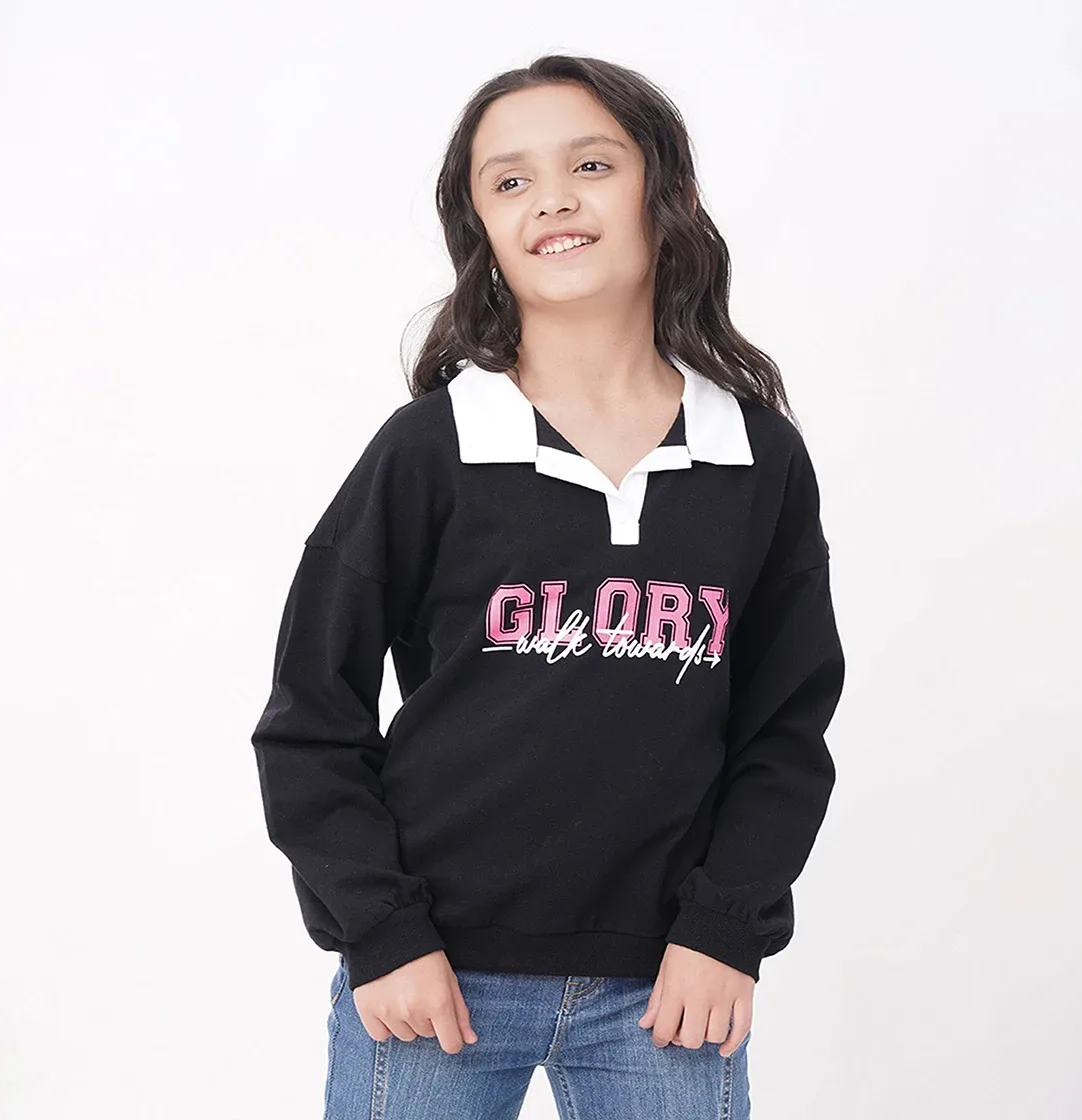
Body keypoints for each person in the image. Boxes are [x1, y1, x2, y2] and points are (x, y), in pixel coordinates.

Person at [251, 52, 845, 1120]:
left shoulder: (755, 460)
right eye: (511, 180)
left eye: (591, 165)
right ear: (479, 225)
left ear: (669, 192)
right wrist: (381, 933)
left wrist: (726, 928)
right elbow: (309, 718)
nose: (554, 200)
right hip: (433, 981)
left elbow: (786, 728)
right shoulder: (429, 450)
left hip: (668, 990)